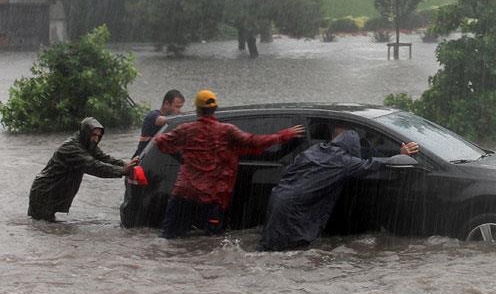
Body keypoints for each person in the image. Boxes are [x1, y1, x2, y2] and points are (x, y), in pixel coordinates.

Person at [153, 89, 304, 239]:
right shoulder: (227, 131)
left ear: (197, 109)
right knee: (212, 243)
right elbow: (254, 142)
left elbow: (160, 141)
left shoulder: (185, 129)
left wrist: (184, 157)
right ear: (215, 109)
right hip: (211, 197)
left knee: (169, 239)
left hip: (184, 194)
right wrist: (282, 136)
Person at [258, 126, 420, 252]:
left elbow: (291, 170)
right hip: (297, 208)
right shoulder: (342, 161)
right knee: (291, 248)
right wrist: (399, 155)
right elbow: (369, 165)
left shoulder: (315, 150)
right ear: (352, 146)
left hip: (279, 198)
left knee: (272, 245)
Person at [28, 117, 137, 222]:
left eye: (99, 136)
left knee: (47, 227)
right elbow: (94, 166)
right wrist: (122, 171)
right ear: (85, 133)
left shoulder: (86, 143)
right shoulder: (72, 148)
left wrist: (125, 164)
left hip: (54, 190)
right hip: (45, 192)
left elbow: (103, 157)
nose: (96, 139)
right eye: (93, 135)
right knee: (43, 226)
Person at [133, 89, 185, 158]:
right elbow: (161, 120)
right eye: (177, 107)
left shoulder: (172, 121)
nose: (179, 111)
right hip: (141, 159)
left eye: (180, 107)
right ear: (166, 104)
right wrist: (184, 118)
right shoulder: (153, 115)